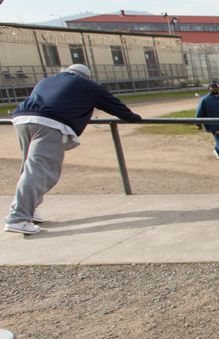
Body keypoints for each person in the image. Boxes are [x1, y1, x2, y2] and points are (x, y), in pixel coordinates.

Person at [5, 64, 142, 235]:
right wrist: (133, 118)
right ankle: (18, 218)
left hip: (22, 119)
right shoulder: (87, 85)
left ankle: (28, 209)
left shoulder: (47, 81)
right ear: (86, 76)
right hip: (49, 123)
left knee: (30, 167)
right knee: (39, 170)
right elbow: (113, 104)